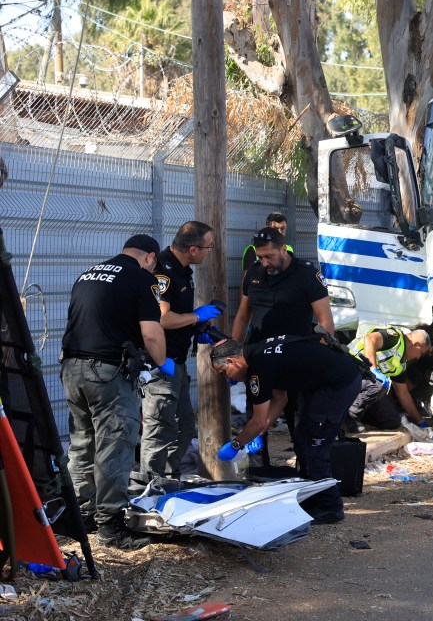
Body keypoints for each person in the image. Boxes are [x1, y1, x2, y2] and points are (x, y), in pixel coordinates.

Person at [61, 234, 172, 550]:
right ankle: (111, 527)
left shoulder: (89, 273)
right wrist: (162, 364)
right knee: (115, 446)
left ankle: (82, 518)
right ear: (150, 257)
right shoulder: (141, 279)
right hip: (107, 373)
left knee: (82, 444)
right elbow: (151, 334)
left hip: (72, 369)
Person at [210, 335, 362, 523]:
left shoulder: (258, 370)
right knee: (303, 439)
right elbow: (280, 399)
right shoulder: (257, 353)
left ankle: (330, 508)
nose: (227, 379)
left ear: (232, 361)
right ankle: (311, 500)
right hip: (333, 379)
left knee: (313, 445)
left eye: (224, 372)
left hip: (339, 383)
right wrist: (259, 433)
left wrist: (236, 444)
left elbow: (258, 420)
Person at [232, 226, 335, 464]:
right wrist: (234, 351)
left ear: (283, 249)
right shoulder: (254, 274)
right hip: (260, 359)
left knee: (300, 419)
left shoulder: (306, 274)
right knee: (257, 417)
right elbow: (242, 316)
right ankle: (257, 472)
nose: (265, 262)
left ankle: (307, 470)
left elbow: (325, 321)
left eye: (270, 256)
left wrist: (319, 357)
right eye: (261, 257)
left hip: (296, 360)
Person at [139, 221, 222, 481]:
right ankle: (150, 486)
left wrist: (198, 330)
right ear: (194, 249)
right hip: (159, 364)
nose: (210, 252)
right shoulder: (162, 270)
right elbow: (161, 319)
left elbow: (179, 321)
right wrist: (196, 317)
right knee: (160, 428)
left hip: (177, 361)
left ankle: (168, 478)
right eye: (208, 247)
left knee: (185, 427)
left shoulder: (183, 270)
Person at [344, 325, 433, 432]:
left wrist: (419, 421)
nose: (418, 357)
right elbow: (370, 339)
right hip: (348, 369)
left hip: (363, 382)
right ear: (416, 345)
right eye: (421, 353)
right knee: (378, 383)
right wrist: (373, 370)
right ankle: (349, 417)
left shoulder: (401, 364)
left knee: (392, 421)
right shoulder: (395, 338)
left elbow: (403, 394)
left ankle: (355, 413)